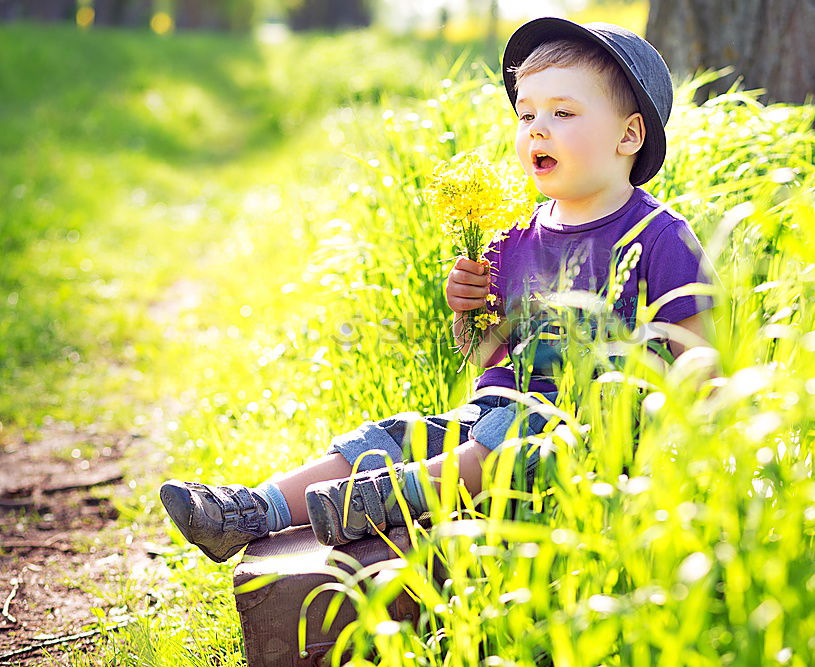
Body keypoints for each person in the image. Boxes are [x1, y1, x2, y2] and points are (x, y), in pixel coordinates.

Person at [159, 16, 715, 564]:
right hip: (490, 419)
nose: (537, 129)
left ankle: (389, 498)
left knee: (519, 432)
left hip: (589, 435)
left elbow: (701, 361)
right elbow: (485, 362)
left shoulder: (659, 236)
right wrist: (469, 312)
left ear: (629, 135)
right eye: (527, 115)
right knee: (393, 435)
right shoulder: (510, 239)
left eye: (563, 113)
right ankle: (252, 512)